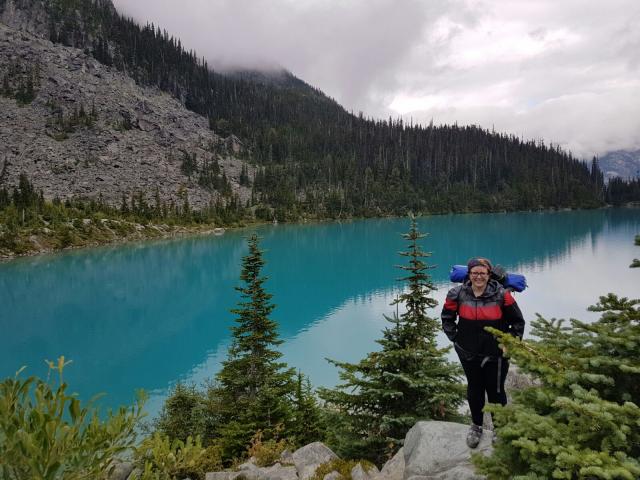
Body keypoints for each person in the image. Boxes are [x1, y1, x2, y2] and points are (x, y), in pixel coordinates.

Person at [441, 257, 525, 448]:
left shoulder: (502, 295)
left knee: (495, 391)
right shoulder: (457, 294)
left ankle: (500, 428)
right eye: (475, 273)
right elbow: (447, 317)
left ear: (489, 275)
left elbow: (518, 322)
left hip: (496, 354)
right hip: (468, 353)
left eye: (482, 273)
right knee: (474, 390)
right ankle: (476, 426)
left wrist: (509, 342)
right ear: (469, 275)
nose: (478, 277)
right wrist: (455, 338)